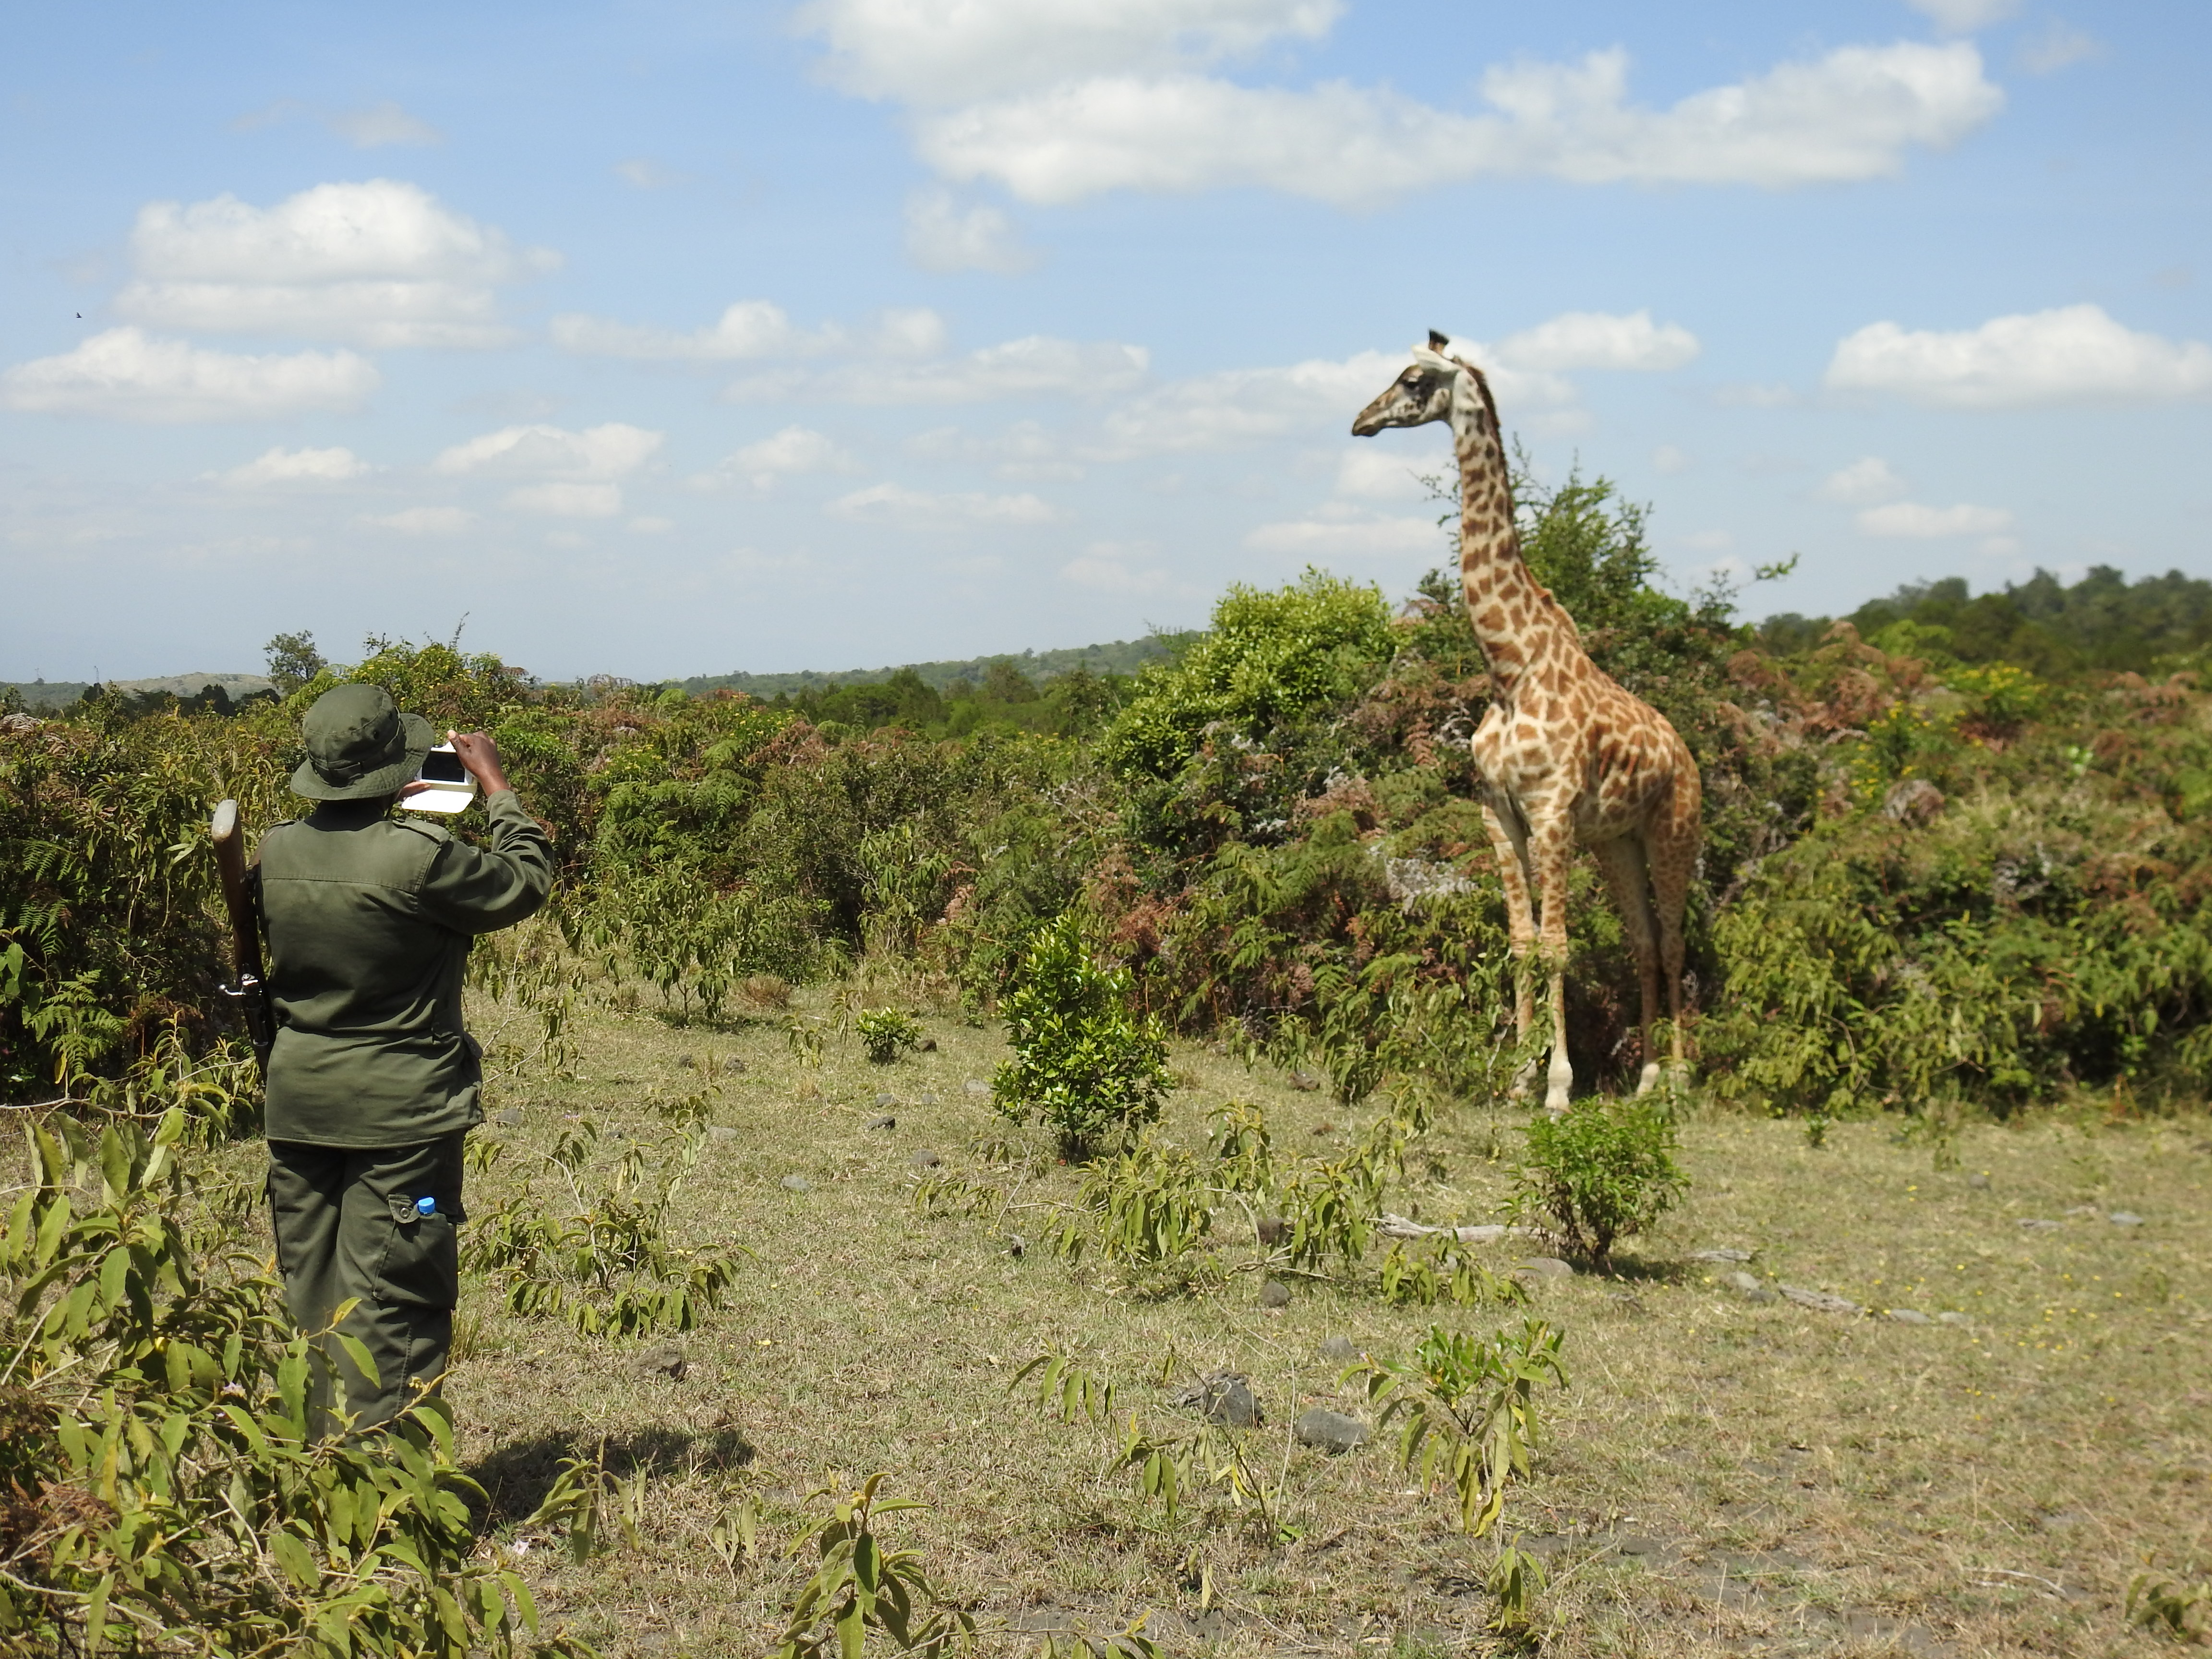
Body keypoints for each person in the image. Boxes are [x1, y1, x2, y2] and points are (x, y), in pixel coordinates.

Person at [257, 682, 553, 1431]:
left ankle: (311, 1465)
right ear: (398, 765)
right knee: (397, 1294)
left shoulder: (271, 851)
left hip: (299, 1104)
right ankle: (392, 1495)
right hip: (401, 1118)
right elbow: (526, 881)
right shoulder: (422, 859)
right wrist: (496, 787)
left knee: (313, 1292)